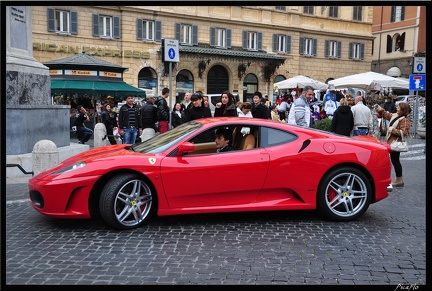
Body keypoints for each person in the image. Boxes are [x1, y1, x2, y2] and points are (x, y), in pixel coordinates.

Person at [374, 102, 412, 187]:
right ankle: (399, 179)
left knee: (395, 161)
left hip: (395, 142)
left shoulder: (405, 120)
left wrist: (392, 129)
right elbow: (386, 114)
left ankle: (399, 179)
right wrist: (379, 108)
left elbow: (404, 132)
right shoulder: (395, 115)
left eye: (399, 107)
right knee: (394, 160)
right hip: (391, 142)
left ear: (403, 110)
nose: (397, 108)